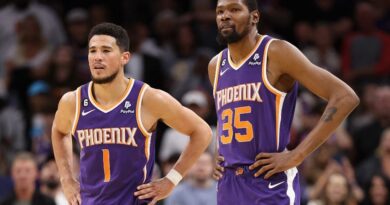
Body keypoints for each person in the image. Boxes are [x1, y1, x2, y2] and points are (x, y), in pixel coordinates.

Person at [209, 0, 359, 204]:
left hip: (269, 182)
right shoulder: (216, 65)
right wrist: (220, 152)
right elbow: (228, 114)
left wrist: (297, 155)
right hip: (229, 183)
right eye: (220, 11)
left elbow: (345, 97)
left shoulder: (277, 52)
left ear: (255, 17)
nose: (224, 16)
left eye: (234, 9)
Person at [51, 22, 212, 205]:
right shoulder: (73, 101)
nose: (97, 57)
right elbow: (58, 130)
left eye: (106, 50)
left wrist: (172, 179)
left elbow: (202, 131)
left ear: (124, 57)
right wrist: (66, 178)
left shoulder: (148, 99)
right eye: (93, 51)